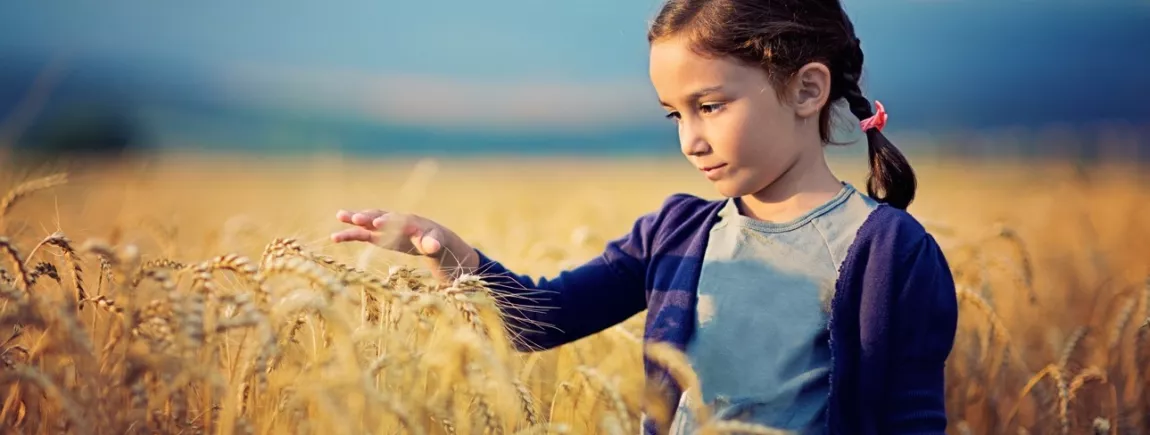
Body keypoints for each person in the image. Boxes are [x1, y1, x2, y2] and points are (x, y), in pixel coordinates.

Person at [331, 0, 958, 433]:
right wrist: (449, 253)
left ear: (806, 90)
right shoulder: (676, 236)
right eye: (674, 114)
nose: (690, 139)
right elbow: (537, 321)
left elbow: (910, 420)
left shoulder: (887, 251)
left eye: (710, 105)